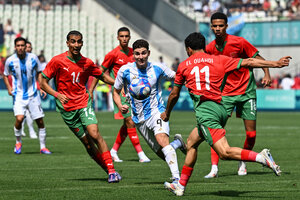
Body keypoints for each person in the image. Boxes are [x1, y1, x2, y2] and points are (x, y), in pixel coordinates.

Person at [162, 32, 290, 196]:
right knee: (191, 143)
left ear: (188, 49)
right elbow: (249, 61)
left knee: (224, 152)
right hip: (221, 108)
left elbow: (174, 94)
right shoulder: (219, 59)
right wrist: (276, 64)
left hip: (206, 112)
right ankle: (180, 185)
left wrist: (167, 113)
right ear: (203, 46)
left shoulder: (184, 65)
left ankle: (261, 157)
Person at [40, 30, 121, 183]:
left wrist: (120, 83)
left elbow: (102, 76)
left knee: (95, 134)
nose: (76, 45)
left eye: (79, 42)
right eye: (73, 41)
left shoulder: (87, 63)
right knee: (88, 145)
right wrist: (56, 94)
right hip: (67, 110)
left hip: (83, 103)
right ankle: (109, 170)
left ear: (82, 43)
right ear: (67, 43)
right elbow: (42, 82)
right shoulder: (57, 61)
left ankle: (111, 171)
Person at [203, 12, 272, 178]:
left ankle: (243, 161)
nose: (218, 29)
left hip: (247, 92)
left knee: (251, 134)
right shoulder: (211, 48)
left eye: (221, 25)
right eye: (215, 26)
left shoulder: (239, 42)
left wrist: (267, 74)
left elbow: (258, 58)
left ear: (227, 26)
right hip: (225, 94)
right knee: (216, 131)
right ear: (211, 27)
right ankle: (214, 168)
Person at [113, 39, 187, 181]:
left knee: (162, 140)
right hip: (139, 118)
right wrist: (119, 105)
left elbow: (177, 76)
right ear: (133, 55)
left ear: (149, 53)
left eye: (143, 53)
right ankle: (177, 143)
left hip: (156, 111)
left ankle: (177, 179)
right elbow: (115, 91)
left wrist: (190, 77)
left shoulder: (158, 68)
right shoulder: (125, 70)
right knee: (160, 152)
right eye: (137, 54)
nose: (141, 56)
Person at [89, 27, 150, 163]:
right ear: (117, 37)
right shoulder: (113, 54)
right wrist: (91, 90)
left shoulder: (133, 53)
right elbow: (99, 72)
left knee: (128, 123)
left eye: (126, 36)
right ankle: (140, 154)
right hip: (120, 92)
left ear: (129, 37)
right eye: (121, 36)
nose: (124, 38)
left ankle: (114, 151)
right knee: (130, 121)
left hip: (134, 93)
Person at [3, 37, 51, 155]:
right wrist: (9, 88)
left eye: (22, 45)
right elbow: (5, 74)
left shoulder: (33, 58)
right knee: (19, 119)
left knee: (40, 121)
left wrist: (41, 86)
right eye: (18, 45)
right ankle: (18, 142)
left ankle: (43, 147)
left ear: (25, 47)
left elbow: (40, 72)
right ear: (15, 47)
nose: (20, 48)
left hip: (33, 95)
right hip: (18, 96)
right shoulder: (10, 60)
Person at [19, 40, 38, 139]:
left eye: (29, 47)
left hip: (32, 90)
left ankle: (29, 130)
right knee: (23, 113)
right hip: (21, 91)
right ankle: (26, 130)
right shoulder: (17, 59)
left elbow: (38, 73)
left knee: (30, 112)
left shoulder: (34, 59)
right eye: (27, 47)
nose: (28, 49)